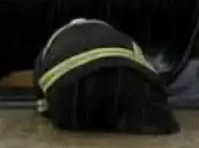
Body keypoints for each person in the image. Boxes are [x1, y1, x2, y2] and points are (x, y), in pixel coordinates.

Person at [34, 18, 180, 135]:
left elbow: (43, 107)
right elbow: (151, 76)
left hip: (74, 90)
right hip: (123, 79)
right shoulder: (125, 40)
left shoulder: (48, 49)